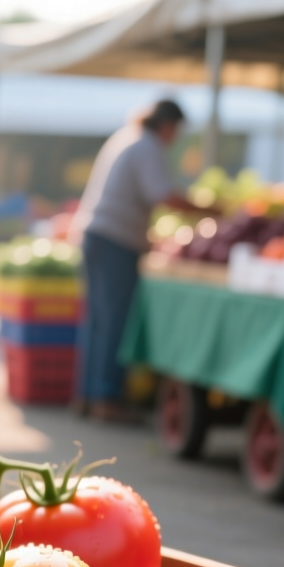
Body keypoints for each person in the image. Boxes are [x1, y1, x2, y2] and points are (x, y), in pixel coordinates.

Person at [68, 99, 201, 423]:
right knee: (115, 321)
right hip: (114, 241)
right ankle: (106, 397)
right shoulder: (147, 146)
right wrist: (210, 211)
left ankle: (88, 395)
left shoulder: (127, 137)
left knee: (99, 321)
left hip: (96, 235)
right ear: (169, 126)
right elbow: (164, 195)